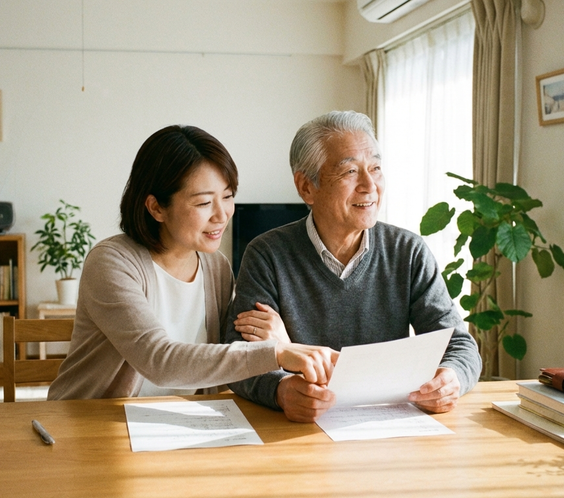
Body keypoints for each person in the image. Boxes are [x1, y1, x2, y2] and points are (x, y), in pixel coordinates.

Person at [223, 111, 482, 422]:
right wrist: (281, 389)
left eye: (375, 168)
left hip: (389, 429)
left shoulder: (408, 252)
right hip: (299, 434)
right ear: (307, 187)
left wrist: (452, 378)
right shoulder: (267, 255)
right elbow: (238, 359)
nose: (369, 185)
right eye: (350, 172)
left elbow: (459, 343)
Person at [48, 125, 337, 401]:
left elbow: (225, 360)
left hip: (174, 423)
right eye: (203, 203)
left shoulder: (217, 268)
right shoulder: (111, 262)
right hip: (88, 423)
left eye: (227, 196)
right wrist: (276, 351)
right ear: (156, 207)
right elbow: (158, 360)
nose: (222, 214)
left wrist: (278, 337)